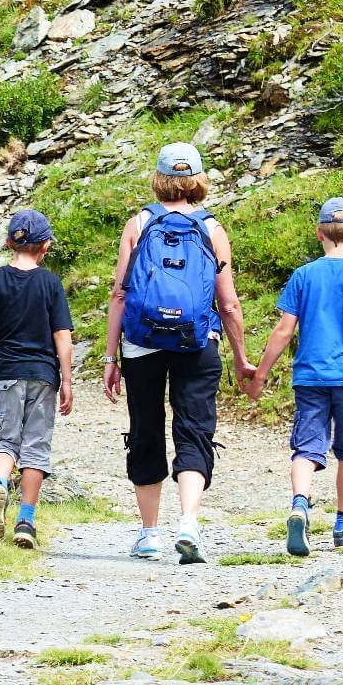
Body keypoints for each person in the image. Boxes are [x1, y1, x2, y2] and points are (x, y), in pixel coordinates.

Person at [103, 142, 254, 564]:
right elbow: (227, 304)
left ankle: (149, 533)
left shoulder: (139, 223)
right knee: (194, 430)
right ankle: (188, 523)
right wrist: (241, 356)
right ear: (197, 180)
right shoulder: (212, 229)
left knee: (146, 429)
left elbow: (120, 295)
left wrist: (111, 357)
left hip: (142, 343)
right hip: (198, 342)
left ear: (159, 178)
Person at [245, 197, 343, 556]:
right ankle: (342, 527)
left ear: (319, 233)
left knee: (307, 448)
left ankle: (300, 505)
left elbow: (283, 330)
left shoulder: (303, 276)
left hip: (310, 376)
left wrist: (260, 374)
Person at [0, 209, 74, 550]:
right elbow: (62, 335)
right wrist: (66, 380)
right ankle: (26, 521)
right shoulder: (50, 283)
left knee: (6, 439)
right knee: (35, 447)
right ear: (45, 247)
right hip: (42, 374)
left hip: (7, 370)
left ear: (9, 243)